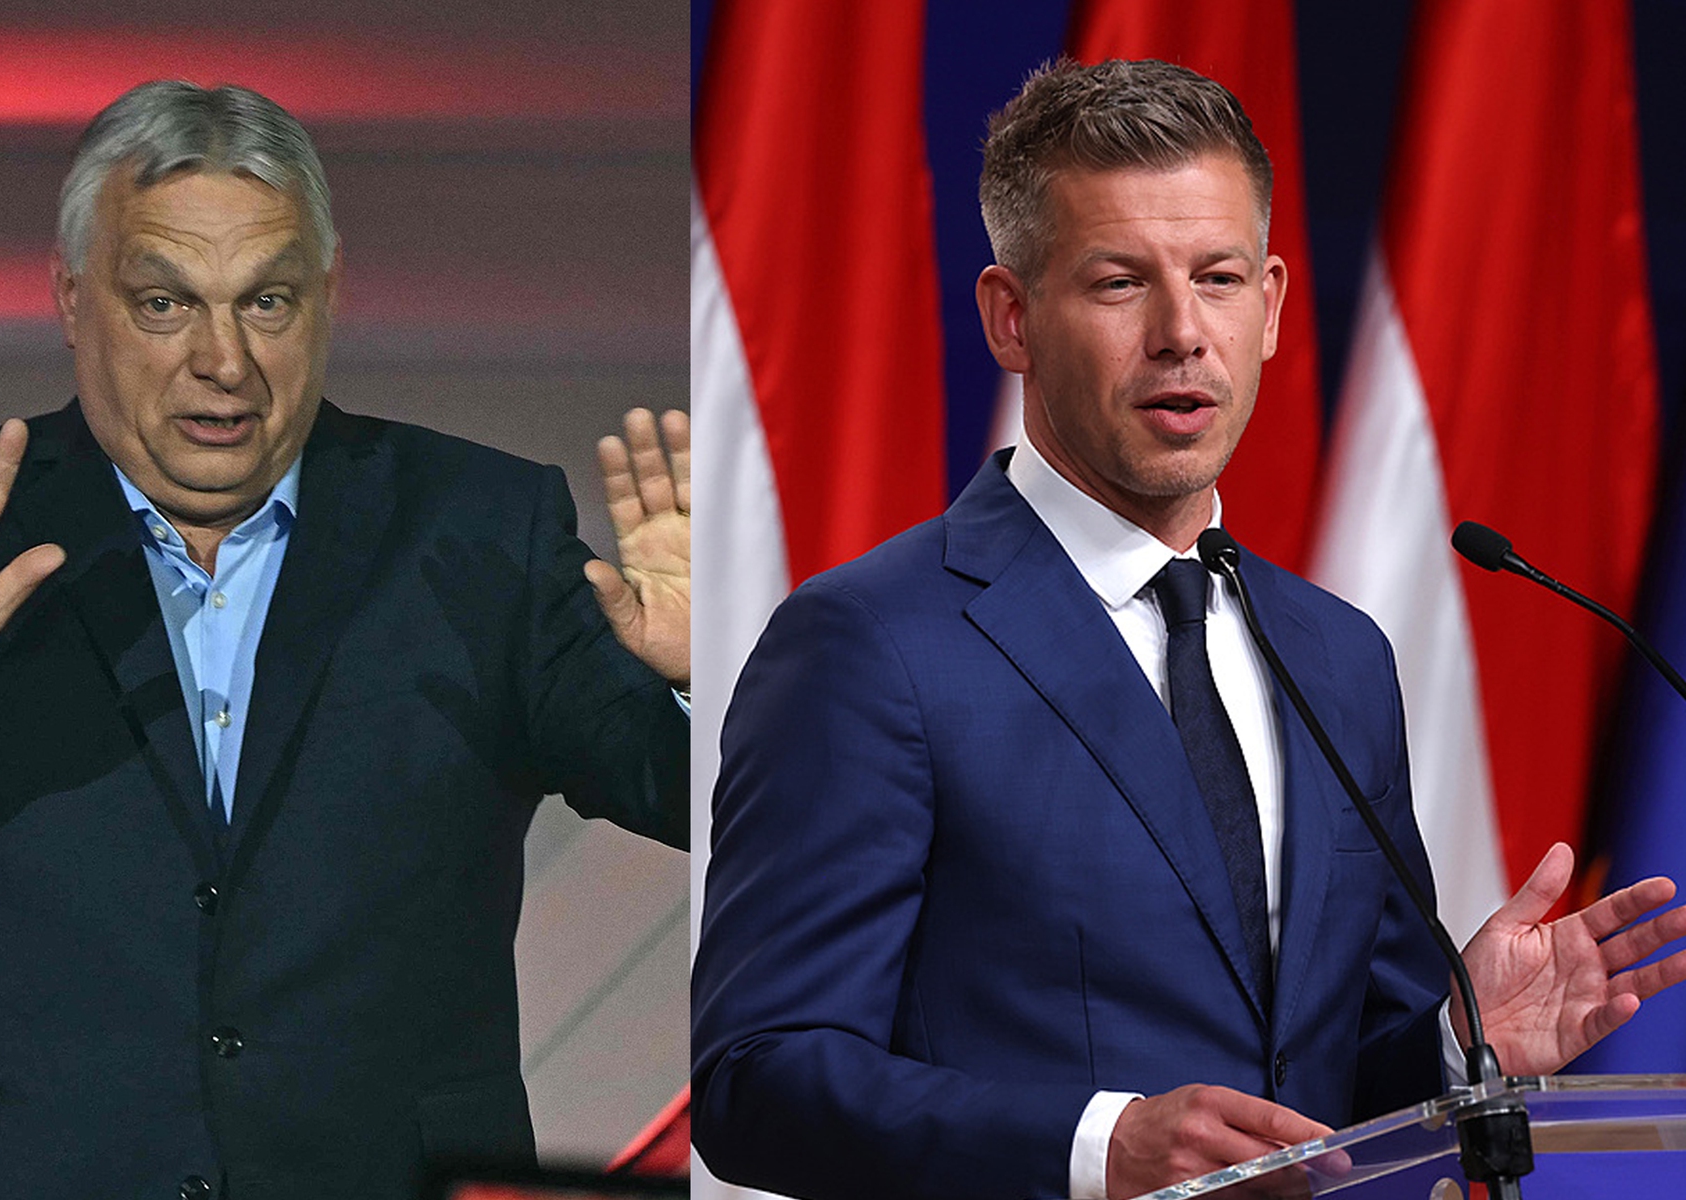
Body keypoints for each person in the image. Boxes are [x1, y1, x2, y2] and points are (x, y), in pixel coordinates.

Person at [690, 57, 1686, 1200]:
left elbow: (1314, 1090)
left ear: (1266, 309)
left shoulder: (1334, 653)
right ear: (1010, 319)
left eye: (1215, 279)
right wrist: (1093, 1147)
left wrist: (1458, 1048)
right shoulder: (868, 644)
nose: (1180, 333)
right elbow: (754, 1078)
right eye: (1119, 283)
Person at [0, 81, 688, 1198]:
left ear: (329, 295)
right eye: (164, 304)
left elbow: (701, 799)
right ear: (74, 300)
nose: (224, 362)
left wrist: (717, 681)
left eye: (267, 302)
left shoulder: (477, 528)